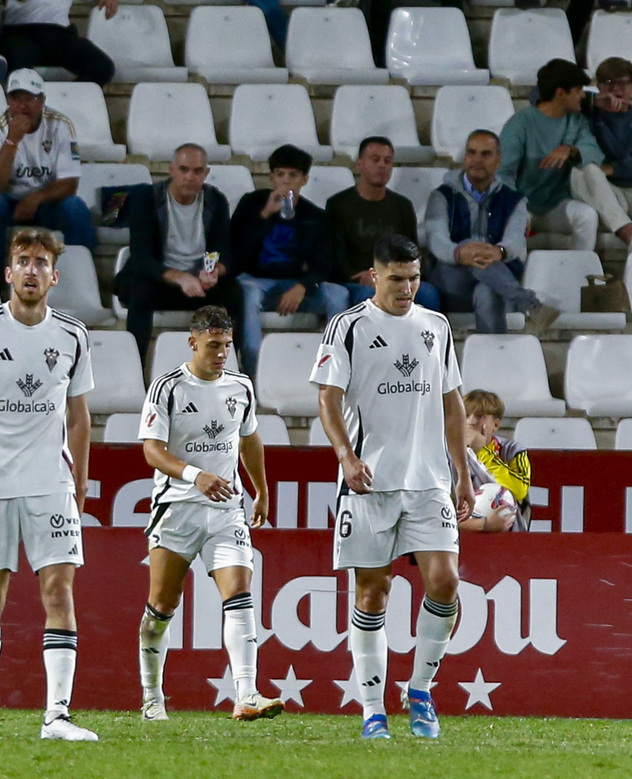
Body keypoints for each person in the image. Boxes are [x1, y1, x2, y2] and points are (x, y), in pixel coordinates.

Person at [310, 235, 473, 740]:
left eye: (415, 277)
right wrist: (345, 455)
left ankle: (420, 691)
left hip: (428, 481)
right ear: (374, 275)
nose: (407, 288)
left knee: (445, 582)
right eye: (397, 278)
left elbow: (452, 403)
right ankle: (372, 710)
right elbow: (328, 400)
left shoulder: (436, 326)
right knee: (372, 592)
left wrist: (462, 472)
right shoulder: (349, 327)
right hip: (370, 482)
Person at [0, 228, 97, 742]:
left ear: (55, 275)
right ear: (8, 272)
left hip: (50, 483)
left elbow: (79, 416)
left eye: (41, 262)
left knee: (59, 590)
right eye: (23, 261)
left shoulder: (73, 334)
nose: (31, 270)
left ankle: (57, 715)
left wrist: (80, 481)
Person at [136, 305, 284, 724]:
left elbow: (250, 439)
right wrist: (194, 475)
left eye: (227, 346)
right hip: (177, 508)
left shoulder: (241, 387)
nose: (221, 354)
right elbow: (151, 449)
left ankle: (247, 693)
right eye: (214, 345)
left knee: (239, 594)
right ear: (193, 342)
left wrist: (261, 489)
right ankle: (152, 697)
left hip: (225, 511)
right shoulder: (167, 388)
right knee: (162, 607)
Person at [228, 144, 350, 379]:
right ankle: (254, 373)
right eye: (280, 175)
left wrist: (304, 286)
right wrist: (264, 215)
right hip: (255, 281)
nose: (286, 182)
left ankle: (336, 370)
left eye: (293, 175)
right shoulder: (252, 204)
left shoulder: (315, 216)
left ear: (304, 179)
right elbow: (235, 252)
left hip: (294, 285)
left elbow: (323, 263)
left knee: (338, 294)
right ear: (271, 177)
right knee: (249, 293)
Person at [426, 130, 560, 335]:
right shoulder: (442, 196)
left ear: (498, 160)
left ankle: (493, 362)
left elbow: (516, 240)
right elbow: (436, 239)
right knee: (470, 243)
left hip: (496, 286)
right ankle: (528, 303)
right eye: (472, 153)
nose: (477, 160)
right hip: (452, 282)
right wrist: (461, 253)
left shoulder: (514, 200)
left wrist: (500, 251)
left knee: (487, 292)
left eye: (486, 154)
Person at [114, 144, 240, 362]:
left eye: (197, 171)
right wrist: (181, 278)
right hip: (159, 280)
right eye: (184, 170)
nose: (190, 177)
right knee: (141, 293)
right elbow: (142, 258)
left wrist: (214, 273)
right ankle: (135, 366)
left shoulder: (215, 200)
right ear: (171, 170)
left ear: (206, 173)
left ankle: (239, 366)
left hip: (200, 284)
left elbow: (225, 252)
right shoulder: (147, 198)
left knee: (236, 293)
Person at [0, 69, 95, 275]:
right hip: (8, 202)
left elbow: (70, 183)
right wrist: (12, 141)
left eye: (30, 98)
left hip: (45, 203)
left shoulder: (60, 124)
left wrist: (35, 199)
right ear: (8, 100)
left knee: (76, 208)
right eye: (16, 98)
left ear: (42, 100)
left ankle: (82, 277)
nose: (23, 106)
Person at [498, 58, 602, 251]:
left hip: (555, 205)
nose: (582, 96)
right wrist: (517, 208)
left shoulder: (577, 121)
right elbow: (503, 173)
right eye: (578, 90)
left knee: (587, 215)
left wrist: (570, 149)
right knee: (511, 222)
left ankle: (580, 273)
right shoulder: (520, 124)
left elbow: (594, 153)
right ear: (561, 93)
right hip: (522, 205)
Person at [325, 137, 436, 309]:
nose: (382, 165)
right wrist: (363, 276)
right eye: (375, 160)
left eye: (387, 160)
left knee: (428, 294)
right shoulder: (338, 205)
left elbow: (411, 250)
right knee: (368, 296)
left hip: (396, 276)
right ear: (359, 164)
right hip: (358, 280)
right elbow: (335, 254)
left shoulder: (402, 206)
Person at [566, 56, 632, 260]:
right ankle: (627, 231)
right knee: (584, 169)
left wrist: (612, 168)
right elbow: (539, 96)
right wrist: (593, 100)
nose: (616, 89)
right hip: (602, 190)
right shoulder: (586, 113)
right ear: (599, 86)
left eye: (624, 83)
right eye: (609, 83)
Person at [458, 389, 530, 533]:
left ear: (495, 425)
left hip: (510, 536)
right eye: (466, 416)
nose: (471, 422)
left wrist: (483, 452)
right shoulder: (449, 453)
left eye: (480, 416)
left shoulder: (513, 451)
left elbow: (519, 490)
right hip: (462, 537)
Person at [0, 0, 116, 86]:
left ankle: (61, 100)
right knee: (18, 72)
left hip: (59, 33)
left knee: (102, 67)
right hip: (21, 32)